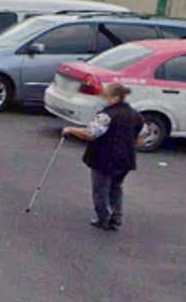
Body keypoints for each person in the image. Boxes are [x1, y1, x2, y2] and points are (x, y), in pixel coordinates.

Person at [62, 83, 147, 231]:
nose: (104, 99)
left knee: (100, 189)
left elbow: (91, 134)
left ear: (115, 98)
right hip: (126, 159)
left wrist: (70, 130)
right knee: (116, 187)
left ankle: (103, 218)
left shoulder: (106, 115)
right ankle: (116, 217)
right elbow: (142, 135)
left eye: (107, 97)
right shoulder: (136, 115)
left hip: (104, 158)